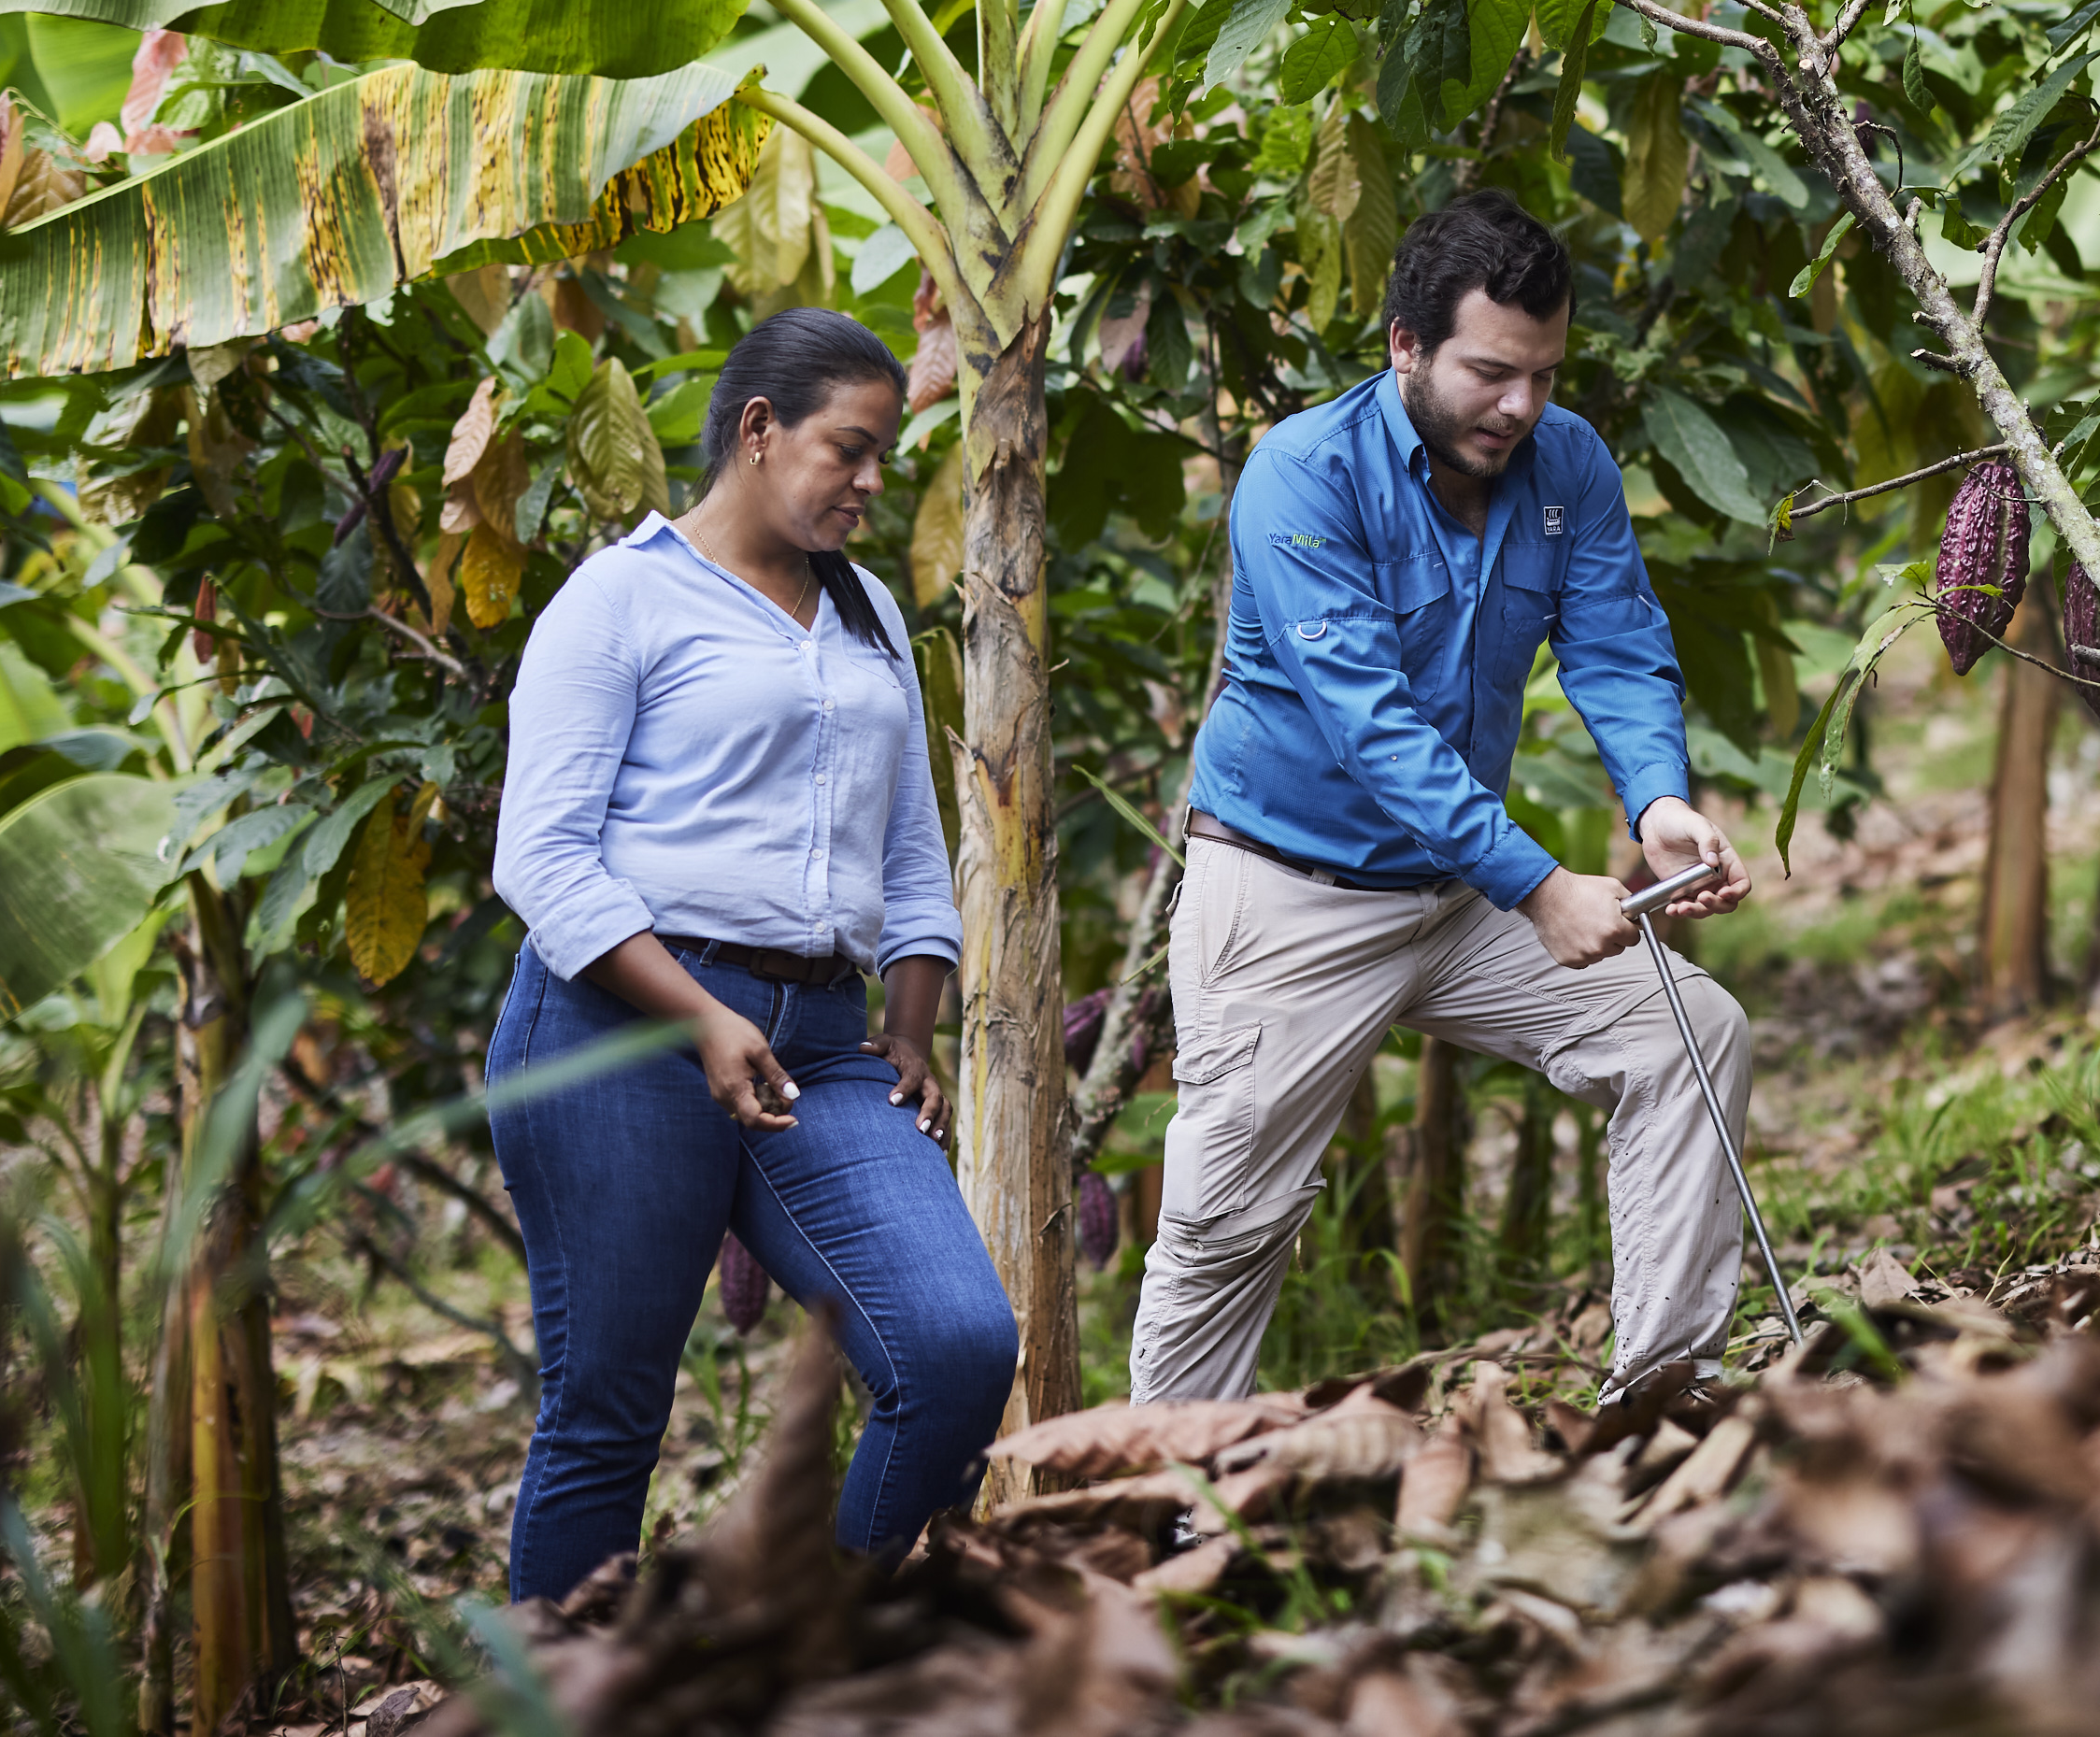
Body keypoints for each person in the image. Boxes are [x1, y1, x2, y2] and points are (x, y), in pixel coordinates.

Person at [1130, 189, 1758, 1417]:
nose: (1520, 405)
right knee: (1225, 1224)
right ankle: (1155, 1495)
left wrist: (1661, 805)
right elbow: (1374, 732)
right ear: (1405, 345)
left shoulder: (1564, 459)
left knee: (1690, 1035)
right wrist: (1538, 884)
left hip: (1452, 898)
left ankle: (1664, 1398)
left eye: (1543, 373)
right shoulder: (1301, 477)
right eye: (1490, 372)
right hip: (1285, 899)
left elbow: (1619, 643)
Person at [487, 308, 1016, 1594]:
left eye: (887, 453)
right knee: (610, 1411)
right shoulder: (621, 596)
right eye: (853, 448)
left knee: (954, 1345)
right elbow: (540, 859)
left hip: (823, 1044)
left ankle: (810, 1658)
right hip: (619, 1028)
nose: (875, 481)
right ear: (760, 429)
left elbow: (907, 850)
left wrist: (912, 1022)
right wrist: (702, 1020)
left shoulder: (868, 610)